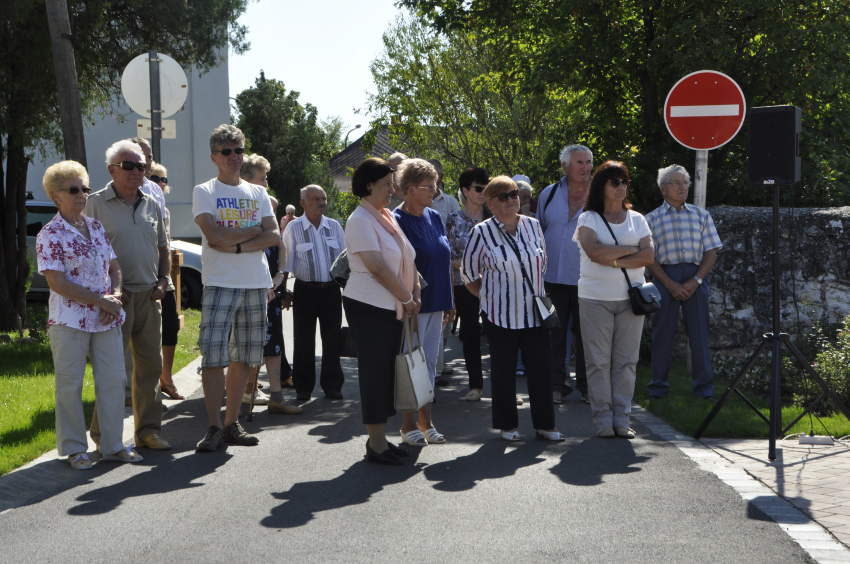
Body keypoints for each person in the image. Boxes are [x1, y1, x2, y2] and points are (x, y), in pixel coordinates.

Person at [37, 160, 142, 468]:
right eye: (74, 189)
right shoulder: (50, 233)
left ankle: (111, 445)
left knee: (112, 380)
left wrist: (116, 296)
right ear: (56, 195)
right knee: (70, 384)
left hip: (106, 316)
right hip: (69, 320)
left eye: (85, 188)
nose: (82, 194)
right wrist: (102, 301)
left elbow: (114, 266)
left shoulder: (94, 226)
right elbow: (57, 282)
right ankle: (73, 448)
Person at [192, 124, 281, 451]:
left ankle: (232, 423)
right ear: (214, 156)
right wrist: (253, 232)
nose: (234, 157)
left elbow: (274, 236)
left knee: (244, 357)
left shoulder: (257, 193)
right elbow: (213, 237)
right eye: (227, 151)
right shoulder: (205, 191)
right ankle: (214, 426)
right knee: (213, 357)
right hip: (219, 282)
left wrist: (238, 245)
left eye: (239, 150)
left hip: (255, 283)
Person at [461, 176, 564, 442]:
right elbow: (469, 274)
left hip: (535, 313)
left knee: (541, 370)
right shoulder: (481, 232)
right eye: (503, 196)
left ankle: (546, 426)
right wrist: (489, 297)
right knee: (503, 372)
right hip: (499, 314)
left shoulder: (532, 225)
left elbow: (541, 265)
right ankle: (508, 427)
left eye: (514, 194)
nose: (511, 200)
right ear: (490, 203)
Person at [85, 140, 171, 452]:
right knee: (112, 372)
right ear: (112, 170)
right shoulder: (94, 203)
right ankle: (103, 438)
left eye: (142, 166)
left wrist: (164, 281)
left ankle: (147, 431)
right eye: (129, 166)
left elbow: (163, 247)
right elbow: (85, 253)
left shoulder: (151, 200)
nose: (137, 172)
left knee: (149, 369)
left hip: (149, 296)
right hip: (113, 301)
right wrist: (104, 295)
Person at [343, 157, 421, 465]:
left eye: (393, 183)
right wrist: (406, 297)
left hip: (392, 305)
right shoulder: (360, 219)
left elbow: (407, 257)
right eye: (387, 184)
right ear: (368, 185)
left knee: (387, 373)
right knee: (375, 374)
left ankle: (381, 440)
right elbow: (376, 267)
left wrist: (414, 291)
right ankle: (375, 443)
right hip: (369, 306)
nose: (393, 189)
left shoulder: (386, 216)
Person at [573, 161, 654, 439]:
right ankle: (603, 421)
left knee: (626, 362)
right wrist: (631, 250)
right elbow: (594, 252)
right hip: (594, 299)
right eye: (614, 182)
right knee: (597, 362)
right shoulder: (589, 219)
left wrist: (615, 256)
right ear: (601, 187)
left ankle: (622, 418)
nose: (620, 187)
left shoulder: (638, 219)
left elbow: (649, 257)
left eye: (624, 182)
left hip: (631, 300)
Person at [646, 164, 722, 401]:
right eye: (677, 182)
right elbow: (649, 258)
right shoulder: (650, 219)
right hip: (664, 277)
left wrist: (695, 280)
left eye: (685, 183)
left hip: (696, 276)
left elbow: (711, 252)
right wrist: (670, 284)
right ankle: (657, 390)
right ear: (663, 188)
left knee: (699, 335)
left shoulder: (701, 215)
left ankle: (704, 392)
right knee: (662, 334)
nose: (682, 187)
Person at [394, 159, 454, 446]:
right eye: (428, 186)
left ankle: (426, 421)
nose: (435, 190)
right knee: (410, 366)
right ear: (409, 189)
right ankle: (407, 426)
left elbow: (443, 262)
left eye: (435, 185)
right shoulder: (396, 220)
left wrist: (450, 300)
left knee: (429, 364)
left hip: (438, 301)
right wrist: (409, 299)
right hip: (412, 304)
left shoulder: (434, 216)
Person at [240, 154, 302, 415]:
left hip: (271, 289)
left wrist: (279, 278)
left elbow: (281, 244)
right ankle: (246, 392)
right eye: (262, 178)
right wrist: (260, 284)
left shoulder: (266, 208)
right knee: (248, 345)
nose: (267, 184)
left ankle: (277, 397)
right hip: (248, 289)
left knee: (274, 342)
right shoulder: (240, 211)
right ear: (246, 180)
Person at [538, 145, 594, 405]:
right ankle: (556, 386)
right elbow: (539, 232)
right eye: (579, 163)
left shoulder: (599, 195)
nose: (585, 167)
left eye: (588, 162)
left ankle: (587, 387)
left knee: (588, 336)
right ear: (565, 167)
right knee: (554, 334)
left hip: (588, 278)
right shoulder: (548, 194)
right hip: (552, 278)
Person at [281, 184, 347, 401]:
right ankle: (303, 387)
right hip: (305, 291)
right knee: (303, 340)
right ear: (303, 203)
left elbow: (345, 261)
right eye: (316, 199)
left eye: (323, 198)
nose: (321, 203)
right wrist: (284, 291)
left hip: (331, 291)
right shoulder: (293, 228)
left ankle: (332, 386)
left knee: (332, 339)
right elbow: (287, 262)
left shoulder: (334, 226)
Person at [446, 167, 490, 402]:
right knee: (471, 334)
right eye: (479, 188)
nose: (484, 192)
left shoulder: (495, 217)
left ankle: (506, 389)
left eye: (486, 187)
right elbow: (451, 259)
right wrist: (477, 263)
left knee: (501, 336)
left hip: (495, 284)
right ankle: (476, 386)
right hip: (463, 285)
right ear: (465, 191)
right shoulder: (453, 220)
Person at [150, 162, 184, 401]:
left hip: (163, 276)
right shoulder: (141, 204)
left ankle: (166, 378)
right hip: (142, 274)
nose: (161, 183)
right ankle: (148, 386)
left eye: (164, 180)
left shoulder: (165, 210)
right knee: (147, 332)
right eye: (156, 178)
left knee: (170, 325)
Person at [425, 158, 461, 380]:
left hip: (448, 271)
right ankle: (429, 374)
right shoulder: (405, 210)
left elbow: (456, 232)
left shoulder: (448, 203)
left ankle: (439, 363)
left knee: (443, 326)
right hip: (422, 280)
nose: (433, 181)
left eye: (435, 175)